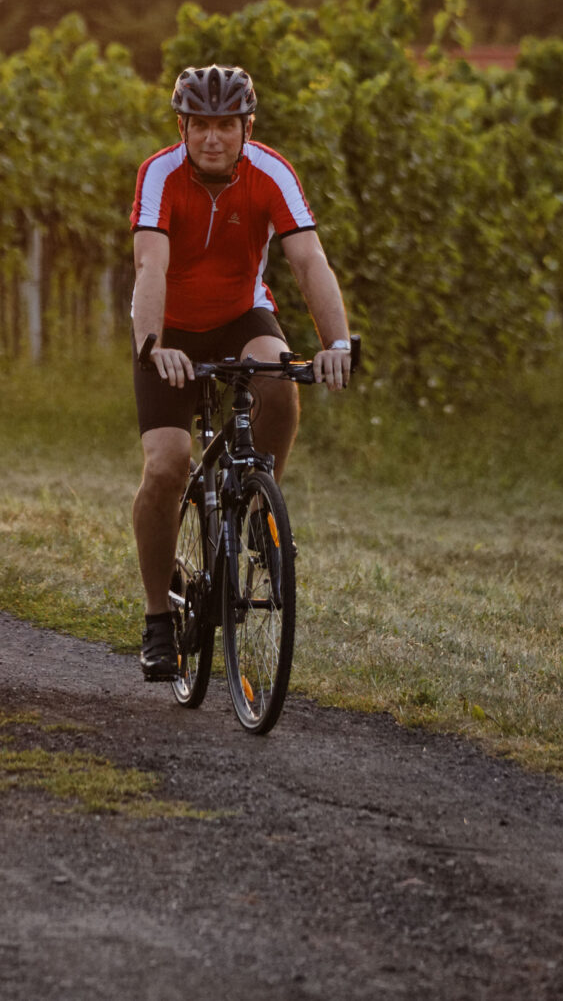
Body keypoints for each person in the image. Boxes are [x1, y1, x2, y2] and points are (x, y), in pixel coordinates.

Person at [128, 63, 355, 682]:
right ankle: (156, 618)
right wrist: (152, 347)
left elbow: (308, 259)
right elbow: (150, 265)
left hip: (239, 314)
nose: (212, 138)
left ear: (246, 127)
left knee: (278, 377)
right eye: (200, 125)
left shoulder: (271, 171)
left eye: (225, 125)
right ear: (183, 126)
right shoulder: (160, 173)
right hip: (167, 328)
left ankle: (260, 507)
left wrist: (335, 342)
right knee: (167, 465)